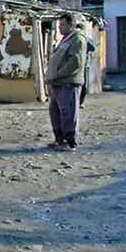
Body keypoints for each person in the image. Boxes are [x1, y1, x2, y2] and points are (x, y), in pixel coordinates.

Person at [46, 14, 86, 151]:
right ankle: (59, 140)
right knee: (55, 113)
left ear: (72, 25)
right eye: (59, 25)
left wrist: (59, 73)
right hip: (57, 83)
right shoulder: (66, 40)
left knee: (67, 112)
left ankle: (69, 142)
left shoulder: (77, 39)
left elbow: (76, 62)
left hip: (67, 83)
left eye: (62, 25)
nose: (60, 28)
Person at [79, 22, 96, 109]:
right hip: (76, 65)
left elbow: (93, 48)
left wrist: (86, 39)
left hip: (84, 64)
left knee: (84, 85)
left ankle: (81, 102)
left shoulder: (86, 39)